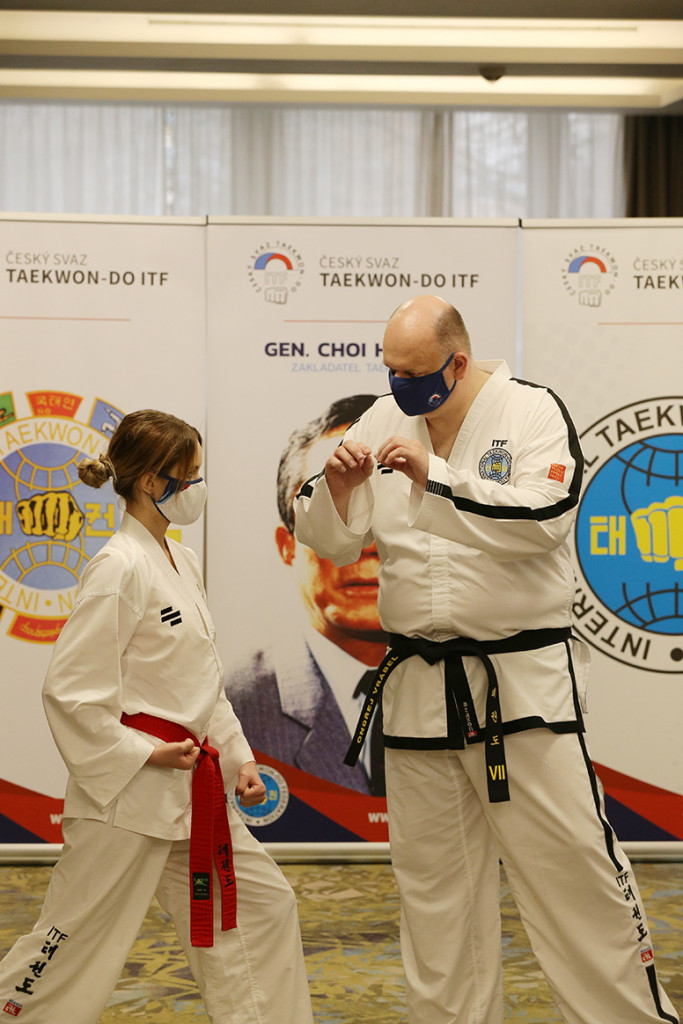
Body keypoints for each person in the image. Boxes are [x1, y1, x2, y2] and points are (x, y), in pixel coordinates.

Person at [294, 295, 679, 1024]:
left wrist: (434, 478)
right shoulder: (383, 417)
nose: (398, 384)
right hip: (417, 690)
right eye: (389, 369)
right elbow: (334, 539)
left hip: (521, 691)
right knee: (434, 896)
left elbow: (544, 519)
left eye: (412, 372)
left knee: (577, 879)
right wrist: (336, 489)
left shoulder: (531, 411)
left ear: (458, 362)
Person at [0, 410, 314, 1024]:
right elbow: (71, 691)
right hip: (128, 795)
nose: (198, 486)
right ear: (151, 482)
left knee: (261, 910)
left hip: (194, 789)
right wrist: (144, 751)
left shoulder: (180, 560)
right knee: (71, 941)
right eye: (189, 474)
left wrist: (241, 758)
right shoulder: (119, 567)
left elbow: (200, 680)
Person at [226, 395, 389, 795]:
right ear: (287, 546)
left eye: (386, 511)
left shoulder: (469, 686)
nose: (365, 544)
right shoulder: (233, 705)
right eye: (335, 511)